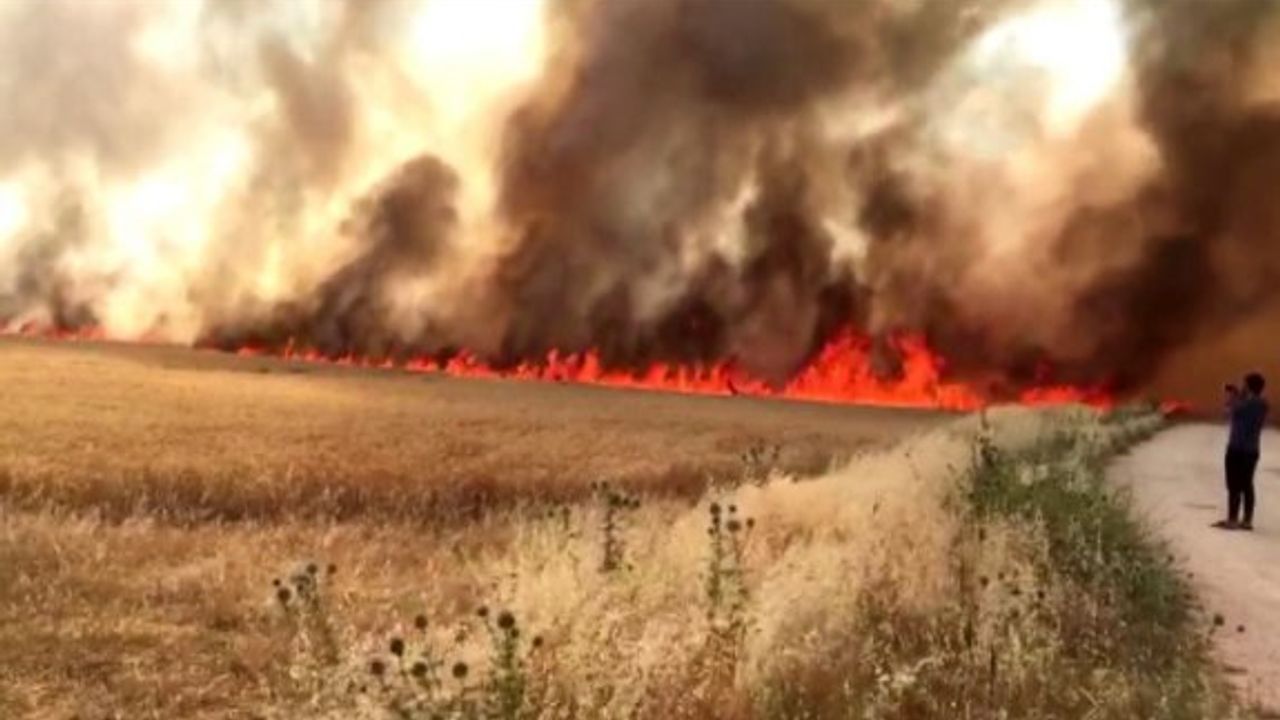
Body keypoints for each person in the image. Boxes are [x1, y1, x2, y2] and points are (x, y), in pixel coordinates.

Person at [1214, 372, 1269, 530]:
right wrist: (1240, 395)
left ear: (1249, 386)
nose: (1242, 386)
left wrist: (1232, 396)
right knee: (1247, 484)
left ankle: (1232, 520)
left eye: (1244, 384)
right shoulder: (1263, 404)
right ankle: (1247, 520)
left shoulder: (1244, 404)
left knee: (1233, 485)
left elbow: (1228, 412)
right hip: (1252, 450)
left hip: (1237, 448)